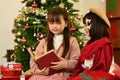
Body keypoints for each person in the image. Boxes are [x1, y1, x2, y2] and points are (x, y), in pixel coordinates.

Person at [28, 7, 80, 80]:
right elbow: (34, 60)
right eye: (51, 23)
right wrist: (38, 71)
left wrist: (66, 64)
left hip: (63, 75)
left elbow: (77, 61)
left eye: (58, 23)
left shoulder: (72, 41)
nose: (55, 26)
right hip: (44, 75)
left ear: (65, 23)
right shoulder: (44, 41)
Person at [67, 7, 115, 80]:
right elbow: (81, 64)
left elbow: (101, 69)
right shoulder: (89, 44)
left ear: (96, 26)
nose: (85, 28)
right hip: (90, 75)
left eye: (87, 25)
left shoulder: (105, 44)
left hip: (101, 76)